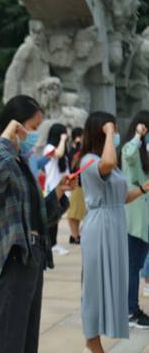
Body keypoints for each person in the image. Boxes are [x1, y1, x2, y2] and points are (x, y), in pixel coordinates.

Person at [0, 95, 73, 353]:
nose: (35, 134)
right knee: (7, 342)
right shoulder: (0, 158)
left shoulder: (20, 161)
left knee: (27, 341)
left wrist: (58, 193)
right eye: (32, 127)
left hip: (32, 256)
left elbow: (37, 216)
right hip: (12, 258)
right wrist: (7, 136)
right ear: (16, 125)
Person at [79, 112, 149, 353]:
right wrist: (109, 131)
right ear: (102, 131)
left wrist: (143, 189)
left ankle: (94, 338)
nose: (117, 133)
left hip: (115, 223)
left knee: (111, 282)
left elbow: (121, 197)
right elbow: (107, 164)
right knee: (95, 285)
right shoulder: (89, 160)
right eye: (113, 129)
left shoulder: (107, 161)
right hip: (99, 227)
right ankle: (92, 339)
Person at [120, 111, 149, 329]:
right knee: (132, 266)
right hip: (134, 217)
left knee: (136, 265)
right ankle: (131, 310)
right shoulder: (131, 148)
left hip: (144, 218)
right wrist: (138, 136)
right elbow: (128, 154)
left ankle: (132, 308)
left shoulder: (144, 151)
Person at [43, 123, 70, 256]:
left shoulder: (60, 147)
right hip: (52, 187)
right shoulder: (49, 148)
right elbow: (58, 154)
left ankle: (52, 243)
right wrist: (63, 140)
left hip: (60, 187)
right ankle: (51, 244)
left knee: (56, 216)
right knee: (52, 216)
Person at [67, 127, 85, 244]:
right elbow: (74, 166)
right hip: (77, 185)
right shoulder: (73, 151)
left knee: (78, 212)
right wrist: (79, 146)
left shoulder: (82, 150)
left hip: (82, 185)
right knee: (73, 213)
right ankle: (75, 235)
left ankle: (76, 235)